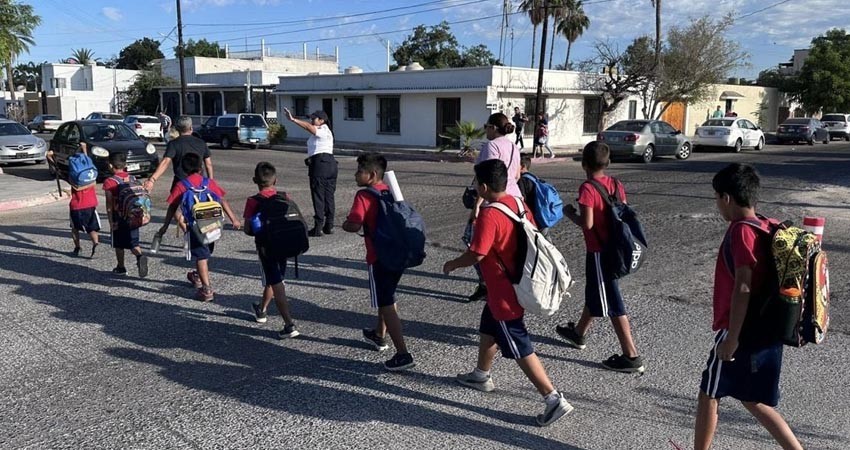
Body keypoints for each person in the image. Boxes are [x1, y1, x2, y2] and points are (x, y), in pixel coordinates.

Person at [443, 158, 573, 427]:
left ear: (484, 186)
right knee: (488, 327)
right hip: (509, 284)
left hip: (505, 291)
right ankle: (481, 375)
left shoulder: (490, 214)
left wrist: (453, 264)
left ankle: (553, 399)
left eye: (475, 183)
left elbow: (478, 252)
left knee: (519, 344)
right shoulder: (516, 203)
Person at [694, 163, 802, 450]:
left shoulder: (741, 231)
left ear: (726, 198)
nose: (718, 205)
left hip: (740, 329)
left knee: (709, 391)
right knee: (753, 400)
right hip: (765, 328)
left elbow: (743, 286)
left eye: (717, 198)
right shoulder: (766, 224)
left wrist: (731, 339)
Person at [555, 141, 645, 373]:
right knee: (597, 292)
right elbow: (623, 210)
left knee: (612, 301)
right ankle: (578, 333)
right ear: (608, 163)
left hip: (599, 252)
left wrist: (569, 214)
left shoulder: (587, 188)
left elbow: (588, 224)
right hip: (615, 248)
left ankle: (631, 355)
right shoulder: (615, 183)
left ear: (584, 164)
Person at [342, 152, 415, 371]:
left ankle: (403, 353)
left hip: (378, 257)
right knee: (388, 295)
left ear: (372, 174)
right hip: (398, 254)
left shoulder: (364, 196)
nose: (356, 175)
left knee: (386, 302)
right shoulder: (391, 191)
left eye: (359, 171)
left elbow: (354, 224)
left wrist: (345, 224)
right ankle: (378, 334)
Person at [463, 112, 523, 303]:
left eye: (486, 126)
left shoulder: (492, 146)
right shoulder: (513, 146)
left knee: (472, 240)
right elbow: (516, 175)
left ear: (493, 128)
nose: (485, 130)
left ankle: (486, 283)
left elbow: (487, 180)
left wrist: (476, 208)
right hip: (514, 197)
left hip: (494, 200)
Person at [167, 153, 240, 302]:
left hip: (195, 227)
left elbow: (172, 206)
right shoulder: (208, 182)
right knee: (205, 253)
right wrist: (234, 219)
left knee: (201, 257)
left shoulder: (182, 185)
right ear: (200, 167)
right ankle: (197, 276)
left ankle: (206, 289)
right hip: (213, 225)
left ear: (184, 169)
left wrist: (166, 226)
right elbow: (222, 200)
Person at [243, 161, 300, 339]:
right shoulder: (285, 196)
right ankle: (262, 310)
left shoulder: (253, 201)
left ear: (254, 180)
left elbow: (248, 229)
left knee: (276, 282)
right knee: (274, 277)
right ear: (275, 180)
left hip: (266, 248)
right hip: (284, 245)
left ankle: (289, 324)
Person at [144, 116, 214, 254]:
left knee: (175, 210)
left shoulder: (174, 144)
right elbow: (209, 164)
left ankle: (181, 232)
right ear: (191, 128)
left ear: (177, 129)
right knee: (198, 210)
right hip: (199, 183)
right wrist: (210, 182)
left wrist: (152, 179)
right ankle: (199, 235)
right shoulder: (201, 143)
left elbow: (165, 162)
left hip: (180, 182)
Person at [284, 107, 337, 237]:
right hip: (329, 164)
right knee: (329, 196)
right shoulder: (326, 132)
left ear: (322, 120)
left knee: (318, 196)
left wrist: (293, 120)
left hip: (320, 165)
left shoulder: (323, 130)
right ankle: (328, 225)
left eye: (314, 119)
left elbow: (309, 128)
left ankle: (318, 227)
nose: (312, 121)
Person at [103, 152, 148, 277]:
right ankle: (140, 256)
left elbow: (109, 205)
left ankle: (121, 267)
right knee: (134, 243)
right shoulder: (132, 179)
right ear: (124, 165)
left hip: (119, 217)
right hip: (134, 216)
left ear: (111, 165)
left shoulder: (110, 182)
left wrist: (111, 221)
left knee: (119, 244)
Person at [62, 143, 100, 257]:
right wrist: (84, 148)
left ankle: (77, 247)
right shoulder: (91, 174)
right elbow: (87, 160)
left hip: (76, 206)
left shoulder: (73, 177)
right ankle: (95, 243)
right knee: (92, 228)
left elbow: (74, 186)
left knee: (74, 228)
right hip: (91, 204)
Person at [517, 153, 547, 236]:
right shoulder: (534, 177)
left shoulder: (522, 180)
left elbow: (522, 199)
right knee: (546, 240)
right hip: (542, 214)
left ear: (522, 166)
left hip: (534, 216)